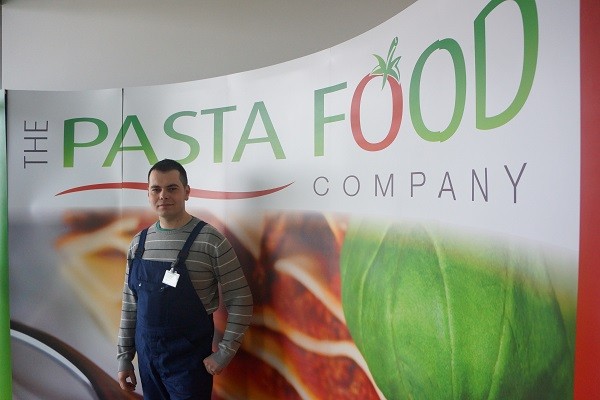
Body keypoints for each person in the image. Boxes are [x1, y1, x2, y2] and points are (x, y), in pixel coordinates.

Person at [117, 159, 253, 399]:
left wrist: (224, 353)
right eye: (156, 189)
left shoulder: (211, 241)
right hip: (148, 364)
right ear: (148, 194)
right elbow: (130, 305)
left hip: (189, 367)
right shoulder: (138, 244)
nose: (163, 195)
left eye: (172, 188)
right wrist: (124, 357)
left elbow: (241, 299)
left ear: (187, 192)